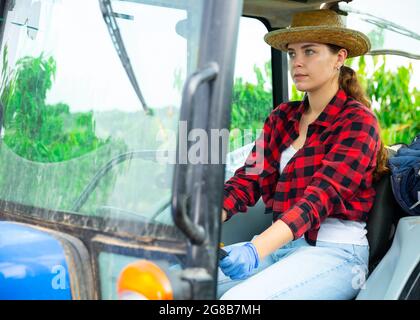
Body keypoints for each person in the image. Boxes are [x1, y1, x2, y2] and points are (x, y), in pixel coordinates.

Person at [218, 9, 389, 300]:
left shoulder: (358, 123)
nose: (297, 62)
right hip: (281, 248)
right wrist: (203, 223)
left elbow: (318, 198)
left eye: (309, 52)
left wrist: (256, 249)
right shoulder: (282, 117)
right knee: (180, 283)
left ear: (339, 58)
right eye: (291, 53)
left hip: (335, 254)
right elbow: (248, 179)